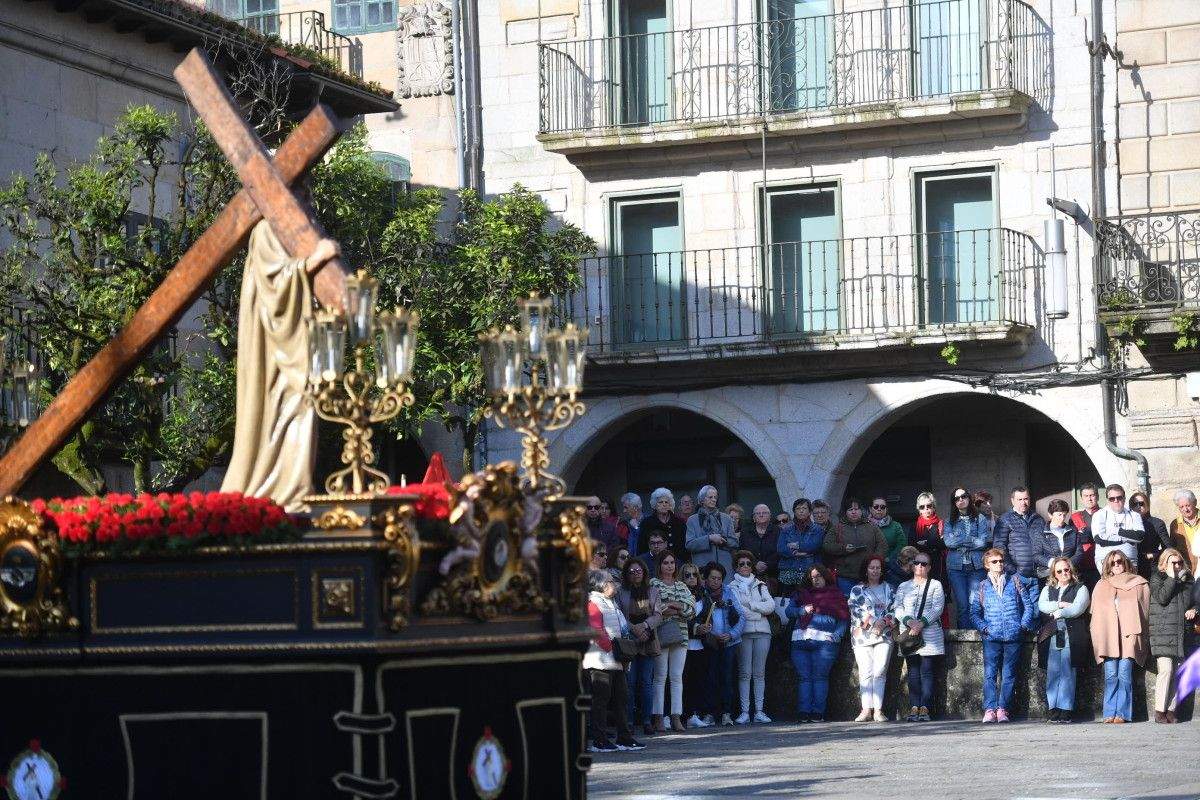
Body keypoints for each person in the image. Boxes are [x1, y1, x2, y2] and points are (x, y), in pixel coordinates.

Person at [221, 220, 339, 512]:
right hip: (275, 353)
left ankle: (293, 492)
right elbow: (276, 283)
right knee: (293, 407)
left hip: (296, 345)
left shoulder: (297, 226)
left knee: (304, 407)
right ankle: (282, 495)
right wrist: (317, 259)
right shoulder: (266, 230)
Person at [970, 547, 1036, 722]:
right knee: (990, 674)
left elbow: (1028, 606)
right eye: (994, 562)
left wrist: (1022, 626)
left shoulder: (1015, 581)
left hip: (1013, 636)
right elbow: (974, 612)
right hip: (991, 637)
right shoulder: (982, 586)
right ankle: (990, 708)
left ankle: (1003, 709)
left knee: (1009, 675)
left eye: (1001, 561)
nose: (999, 564)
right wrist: (984, 628)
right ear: (987, 565)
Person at [584, 569, 643, 752]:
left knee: (621, 698)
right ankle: (599, 740)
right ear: (600, 584)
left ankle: (624, 737)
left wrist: (624, 651)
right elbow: (596, 630)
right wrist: (614, 649)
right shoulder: (593, 602)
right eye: (610, 581)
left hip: (616, 660)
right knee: (601, 701)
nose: (614, 584)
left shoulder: (612, 603)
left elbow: (622, 627)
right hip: (599, 660)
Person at [1089, 551, 1150, 724]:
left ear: (1126, 562)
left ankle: (1122, 714)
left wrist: (1142, 636)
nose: (1116, 565)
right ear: (1107, 566)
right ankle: (1109, 713)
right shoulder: (1101, 585)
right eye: (1112, 562)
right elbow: (1095, 614)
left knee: (1124, 673)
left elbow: (1145, 613)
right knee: (1110, 675)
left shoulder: (1139, 583)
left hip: (1129, 634)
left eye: (1119, 561)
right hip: (1108, 636)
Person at [785, 564, 849, 722]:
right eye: (812, 577)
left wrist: (837, 635)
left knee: (820, 677)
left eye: (818, 576)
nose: (815, 580)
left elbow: (843, 618)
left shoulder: (836, 594)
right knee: (804, 678)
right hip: (800, 641)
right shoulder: (801, 594)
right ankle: (804, 712)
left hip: (825, 642)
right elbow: (788, 611)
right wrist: (801, 610)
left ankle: (817, 713)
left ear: (825, 576)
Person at [1037, 557, 1091, 723]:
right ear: (1054, 573)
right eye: (1059, 571)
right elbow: (1042, 606)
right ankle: (1053, 708)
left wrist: (1061, 612)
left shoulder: (1081, 588)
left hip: (1072, 634)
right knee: (1053, 672)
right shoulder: (1047, 588)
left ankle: (1065, 709)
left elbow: (1079, 607)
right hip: (1053, 634)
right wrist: (1061, 604)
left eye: (1066, 569)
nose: (1063, 573)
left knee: (1068, 672)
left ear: (1071, 570)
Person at [893, 552, 945, 722]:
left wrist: (921, 623)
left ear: (929, 567)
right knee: (913, 671)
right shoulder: (903, 586)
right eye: (917, 563)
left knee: (927, 671)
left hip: (929, 634)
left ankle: (925, 707)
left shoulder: (936, 585)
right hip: (909, 634)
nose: (920, 566)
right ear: (912, 565)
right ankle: (914, 706)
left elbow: (938, 607)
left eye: (924, 564)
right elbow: (898, 607)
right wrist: (909, 622)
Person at [694, 561, 746, 726]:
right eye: (712, 578)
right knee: (709, 678)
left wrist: (731, 635)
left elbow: (742, 616)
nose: (715, 581)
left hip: (727, 642)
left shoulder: (729, 592)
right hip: (709, 642)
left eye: (718, 578)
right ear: (706, 579)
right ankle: (709, 713)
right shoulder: (701, 594)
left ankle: (726, 713)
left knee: (727, 678)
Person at [1148, 548, 1196, 723]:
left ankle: (1171, 710)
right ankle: (1159, 710)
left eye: (1179, 563)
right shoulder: (1157, 579)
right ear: (1164, 564)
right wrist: (1170, 577)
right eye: (1172, 563)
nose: (1177, 566)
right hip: (1163, 633)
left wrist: (1195, 609)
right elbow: (1162, 598)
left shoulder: (1188, 582)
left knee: (1178, 672)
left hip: (1182, 632)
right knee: (1166, 670)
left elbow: (1196, 601)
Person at [650, 551, 695, 732]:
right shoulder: (654, 583)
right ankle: (658, 717)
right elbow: (656, 607)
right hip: (661, 634)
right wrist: (677, 607)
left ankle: (676, 716)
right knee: (660, 676)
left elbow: (691, 610)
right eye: (666, 563)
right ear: (660, 565)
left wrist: (673, 606)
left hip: (681, 635)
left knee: (677, 677)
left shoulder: (683, 585)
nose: (669, 566)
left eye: (672, 562)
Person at [729, 550, 776, 724]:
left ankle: (759, 711)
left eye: (748, 563)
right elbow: (737, 610)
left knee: (759, 673)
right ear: (736, 566)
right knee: (744, 673)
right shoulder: (731, 587)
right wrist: (758, 611)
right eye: (742, 564)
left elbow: (770, 606)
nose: (745, 567)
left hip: (763, 632)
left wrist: (752, 606)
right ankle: (744, 711)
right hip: (743, 632)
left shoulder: (761, 584)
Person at [848, 554, 894, 722]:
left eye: (878, 568)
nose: (875, 570)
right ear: (866, 570)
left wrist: (883, 623)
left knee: (880, 671)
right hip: (862, 635)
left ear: (882, 570)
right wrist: (875, 622)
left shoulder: (889, 588)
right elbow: (856, 610)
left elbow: (895, 608)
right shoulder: (856, 589)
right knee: (865, 672)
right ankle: (866, 709)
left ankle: (878, 710)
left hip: (885, 634)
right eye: (871, 567)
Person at [617, 558, 660, 737]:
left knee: (646, 683)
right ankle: (629, 721)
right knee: (630, 683)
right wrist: (633, 628)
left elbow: (658, 615)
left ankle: (647, 721)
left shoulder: (653, 591)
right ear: (627, 574)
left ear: (644, 572)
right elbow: (618, 613)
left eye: (639, 571)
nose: (636, 574)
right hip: (629, 641)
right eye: (632, 571)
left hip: (648, 640)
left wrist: (645, 626)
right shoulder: (621, 592)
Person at [943, 486, 990, 628]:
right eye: (957, 498)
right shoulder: (949, 521)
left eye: (963, 496)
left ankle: (976, 638)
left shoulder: (980, 518)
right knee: (963, 605)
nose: (961, 500)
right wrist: (971, 540)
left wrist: (960, 540)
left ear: (969, 498)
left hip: (977, 567)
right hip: (957, 569)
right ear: (954, 502)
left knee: (974, 604)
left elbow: (984, 542)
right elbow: (948, 542)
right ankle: (963, 640)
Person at [992, 486, 1044, 613]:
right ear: (1012, 500)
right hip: (1016, 575)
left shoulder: (1038, 519)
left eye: (1026, 499)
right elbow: (999, 547)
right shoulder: (1005, 519)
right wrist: (1013, 571)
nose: (1023, 502)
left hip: (1037, 575)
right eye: (1019, 499)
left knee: (1036, 612)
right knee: (1018, 611)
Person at [823, 497, 886, 596]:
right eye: (850, 509)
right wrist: (843, 549)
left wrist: (875, 561)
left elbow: (882, 545)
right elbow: (827, 545)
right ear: (845, 512)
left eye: (856, 509)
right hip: (845, 575)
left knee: (868, 605)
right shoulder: (837, 527)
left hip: (868, 575)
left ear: (861, 511)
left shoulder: (872, 527)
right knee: (847, 605)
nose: (853, 512)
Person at [679, 562, 712, 728]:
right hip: (683, 643)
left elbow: (708, 615)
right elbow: (681, 618)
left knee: (697, 681)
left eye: (694, 575)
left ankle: (693, 713)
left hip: (699, 644)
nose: (691, 578)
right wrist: (696, 627)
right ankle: (677, 715)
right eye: (687, 575)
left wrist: (707, 626)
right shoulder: (679, 594)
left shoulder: (704, 595)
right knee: (680, 681)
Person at [685, 485, 739, 579]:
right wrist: (709, 538)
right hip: (703, 569)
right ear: (702, 500)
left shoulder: (726, 518)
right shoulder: (692, 520)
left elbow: (734, 543)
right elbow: (689, 545)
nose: (714, 500)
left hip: (725, 569)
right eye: (710, 497)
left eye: (715, 497)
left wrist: (722, 540)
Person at [1090, 484, 1145, 573]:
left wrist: (1117, 531)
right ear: (1107, 500)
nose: (1116, 501)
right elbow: (1099, 539)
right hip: (1106, 560)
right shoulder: (1099, 515)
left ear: (1124, 498)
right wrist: (1126, 540)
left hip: (1129, 560)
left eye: (1119, 498)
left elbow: (1140, 536)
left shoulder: (1134, 515)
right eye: (1112, 498)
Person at [1034, 499, 1091, 581]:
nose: (1062, 518)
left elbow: (1079, 553)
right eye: (1059, 515)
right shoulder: (1041, 533)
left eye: (1064, 515)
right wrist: (1053, 563)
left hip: (1069, 573)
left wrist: (1066, 565)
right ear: (1050, 515)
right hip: (1048, 574)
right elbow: (1037, 555)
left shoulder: (1073, 531)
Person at [777, 498, 825, 588]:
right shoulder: (786, 529)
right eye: (798, 509)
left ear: (810, 512)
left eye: (804, 508)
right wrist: (796, 553)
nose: (801, 511)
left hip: (810, 571)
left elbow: (814, 546)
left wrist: (794, 545)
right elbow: (781, 549)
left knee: (809, 600)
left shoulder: (818, 529)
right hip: (789, 570)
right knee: (789, 599)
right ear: (794, 512)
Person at [1130, 491, 1171, 579]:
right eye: (1134, 504)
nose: (1138, 507)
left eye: (1141, 504)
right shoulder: (1127, 523)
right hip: (1131, 566)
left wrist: (1154, 555)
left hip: (1151, 566)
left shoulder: (1157, 523)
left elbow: (1168, 548)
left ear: (1147, 506)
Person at [642, 488, 687, 563]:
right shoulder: (647, 523)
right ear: (655, 505)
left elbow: (684, 547)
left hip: (676, 563)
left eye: (666, 502)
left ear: (670, 505)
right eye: (660, 502)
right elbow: (642, 547)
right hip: (653, 563)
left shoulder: (679, 523)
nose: (664, 504)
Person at [741, 504, 781, 589]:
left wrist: (767, 565)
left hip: (774, 575)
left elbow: (780, 551)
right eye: (758, 513)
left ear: (770, 516)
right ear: (753, 517)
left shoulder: (778, 531)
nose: (761, 515)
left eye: (764, 513)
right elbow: (742, 552)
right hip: (750, 574)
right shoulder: (745, 532)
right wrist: (755, 563)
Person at [1071, 482, 1102, 586]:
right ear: (1081, 498)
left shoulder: (1105, 514)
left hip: (1102, 563)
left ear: (1097, 496)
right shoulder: (1075, 517)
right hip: (1082, 564)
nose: (1089, 499)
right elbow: (1072, 541)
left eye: (1092, 495)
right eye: (1086, 496)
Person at [911, 492, 945, 584]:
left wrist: (925, 543)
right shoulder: (915, 526)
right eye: (922, 507)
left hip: (938, 563)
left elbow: (944, 544)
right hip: (920, 564)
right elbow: (912, 545)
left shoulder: (940, 524)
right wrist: (933, 542)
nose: (926, 508)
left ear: (933, 507)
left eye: (929, 506)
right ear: (919, 510)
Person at [1169, 489, 1200, 574]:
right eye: (1181, 507)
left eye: (1188, 505)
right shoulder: (1175, 524)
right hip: (1186, 570)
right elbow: (1173, 548)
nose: (1185, 509)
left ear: (1195, 503)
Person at [869, 497, 908, 564]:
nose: (879, 509)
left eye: (882, 507)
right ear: (870, 509)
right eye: (876, 507)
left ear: (886, 509)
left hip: (890, 563)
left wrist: (889, 559)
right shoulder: (864, 526)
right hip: (869, 565)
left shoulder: (896, 526)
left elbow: (902, 545)